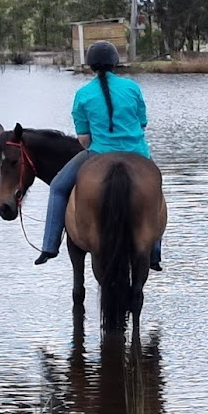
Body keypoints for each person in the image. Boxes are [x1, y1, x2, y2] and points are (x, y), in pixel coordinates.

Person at [35, 40, 162, 271]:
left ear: (90, 66)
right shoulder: (132, 88)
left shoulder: (83, 94)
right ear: (115, 63)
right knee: (154, 190)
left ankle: (49, 246)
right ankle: (154, 253)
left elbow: (83, 139)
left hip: (98, 153)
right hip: (138, 153)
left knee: (58, 186)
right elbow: (142, 124)